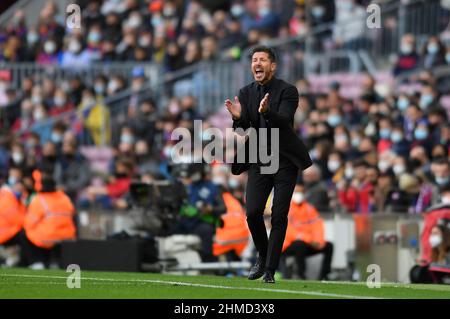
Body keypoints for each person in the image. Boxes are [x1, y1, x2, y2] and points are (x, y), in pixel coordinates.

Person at [225, 45, 312, 283]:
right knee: (253, 213)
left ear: (272, 65)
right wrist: (236, 118)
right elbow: (244, 130)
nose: (257, 63)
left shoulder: (288, 90)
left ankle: (271, 270)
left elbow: (283, 121)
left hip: (285, 160)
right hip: (260, 159)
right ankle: (263, 258)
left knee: (278, 216)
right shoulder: (245, 92)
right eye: (254, 59)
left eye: (262, 59)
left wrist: (267, 111)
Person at [22, 171, 76, 268]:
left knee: (24, 234)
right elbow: (72, 213)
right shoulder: (64, 197)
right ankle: (54, 262)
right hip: (67, 236)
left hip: (48, 237)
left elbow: (28, 223)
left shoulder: (39, 199)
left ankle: (36, 262)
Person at [281, 182, 333, 280]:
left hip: (307, 242)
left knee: (329, 246)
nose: (298, 194)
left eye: (301, 192)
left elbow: (317, 226)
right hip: (287, 245)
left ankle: (325, 275)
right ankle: (301, 273)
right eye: (296, 192)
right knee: (299, 244)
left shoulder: (310, 209)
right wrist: (309, 240)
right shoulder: (285, 208)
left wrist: (318, 241)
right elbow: (288, 231)